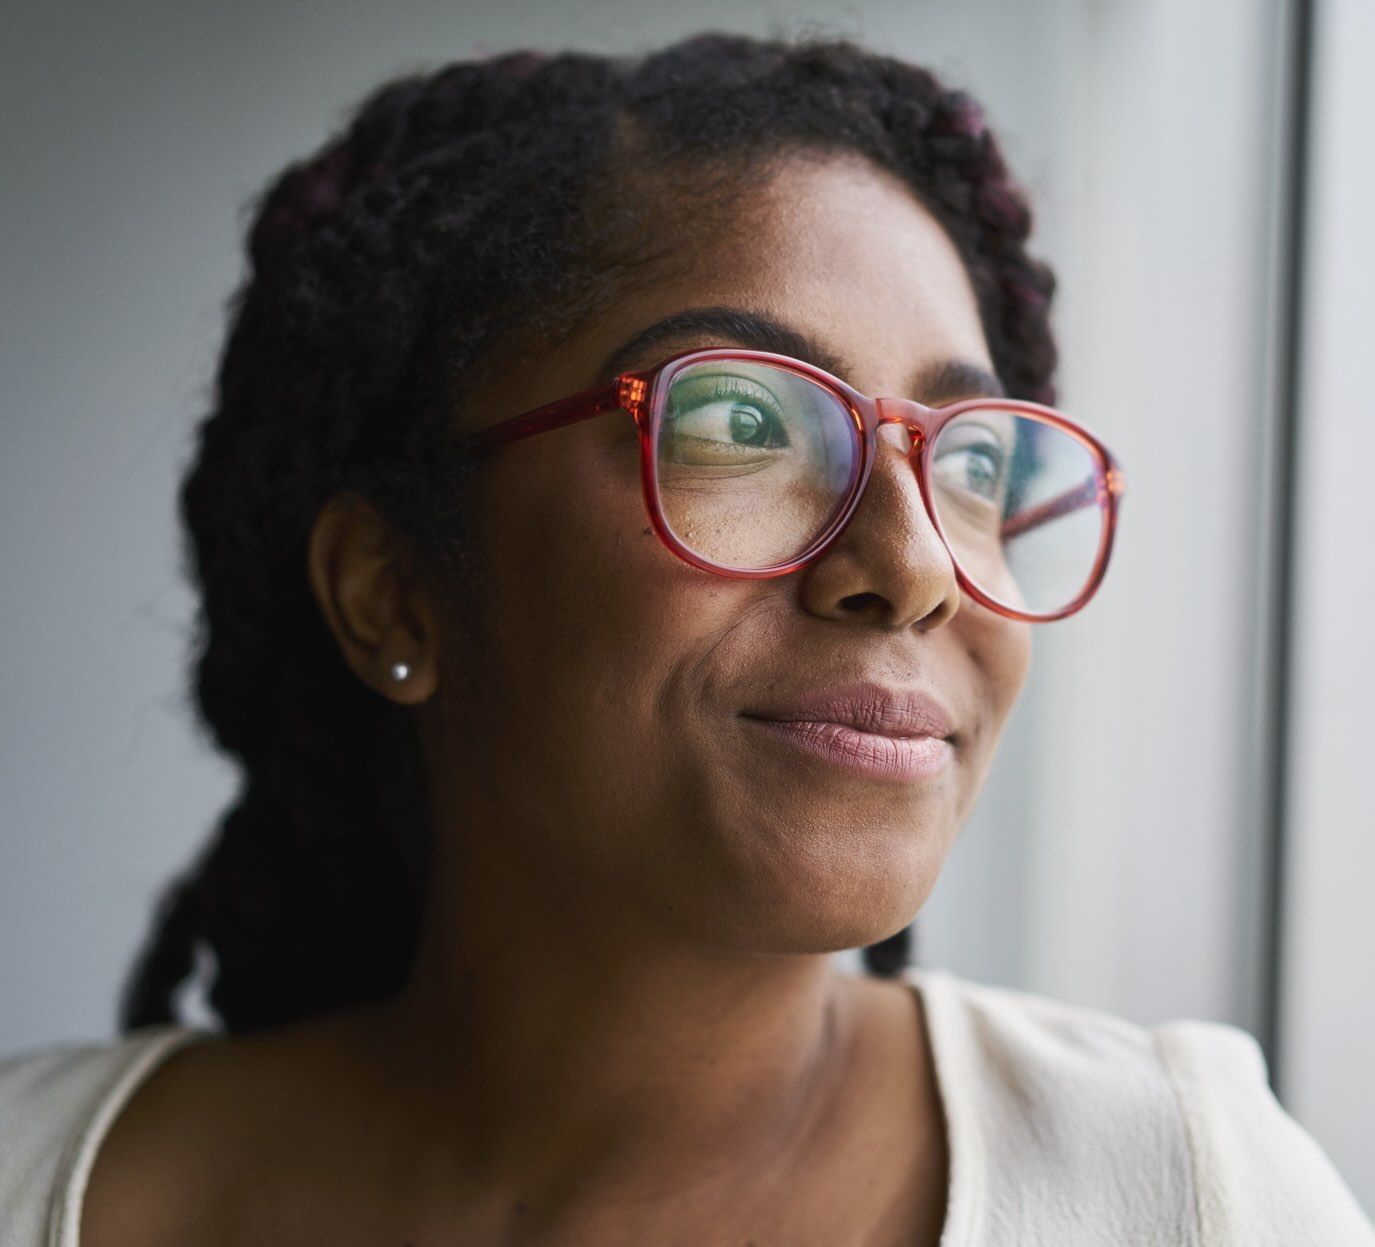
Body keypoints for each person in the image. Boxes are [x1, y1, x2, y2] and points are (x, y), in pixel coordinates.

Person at [1, 31, 1371, 1247]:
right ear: (390, 590)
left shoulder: (1188, 1196)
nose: (910, 568)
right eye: (743, 426)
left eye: (974, 467)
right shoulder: (27, 1177)